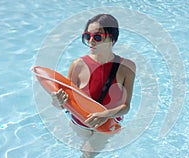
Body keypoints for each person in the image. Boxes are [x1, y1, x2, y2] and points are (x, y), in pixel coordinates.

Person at [51, 14, 136, 158]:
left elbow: (126, 107)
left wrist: (105, 114)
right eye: (87, 36)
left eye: (97, 37)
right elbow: (63, 104)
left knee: (86, 154)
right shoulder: (78, 65)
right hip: (78, 123)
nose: (91, 41)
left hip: (107, 125)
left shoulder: (126, 67)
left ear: (112, 39)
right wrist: (56, 100)